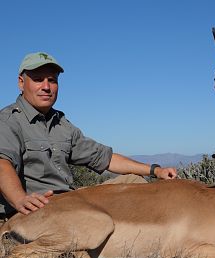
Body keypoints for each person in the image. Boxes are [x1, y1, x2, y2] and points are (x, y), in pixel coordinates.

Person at [0, 52, 177, 218]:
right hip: (36, 210)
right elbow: (2, 163)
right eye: (38, 79)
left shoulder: (61, 124)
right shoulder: (8, 120)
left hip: (68, 201)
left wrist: (156, 170)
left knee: (135, 181)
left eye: (52, 80)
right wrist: (20, 199)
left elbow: (104, 158)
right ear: (21, 83)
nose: (46, 87)